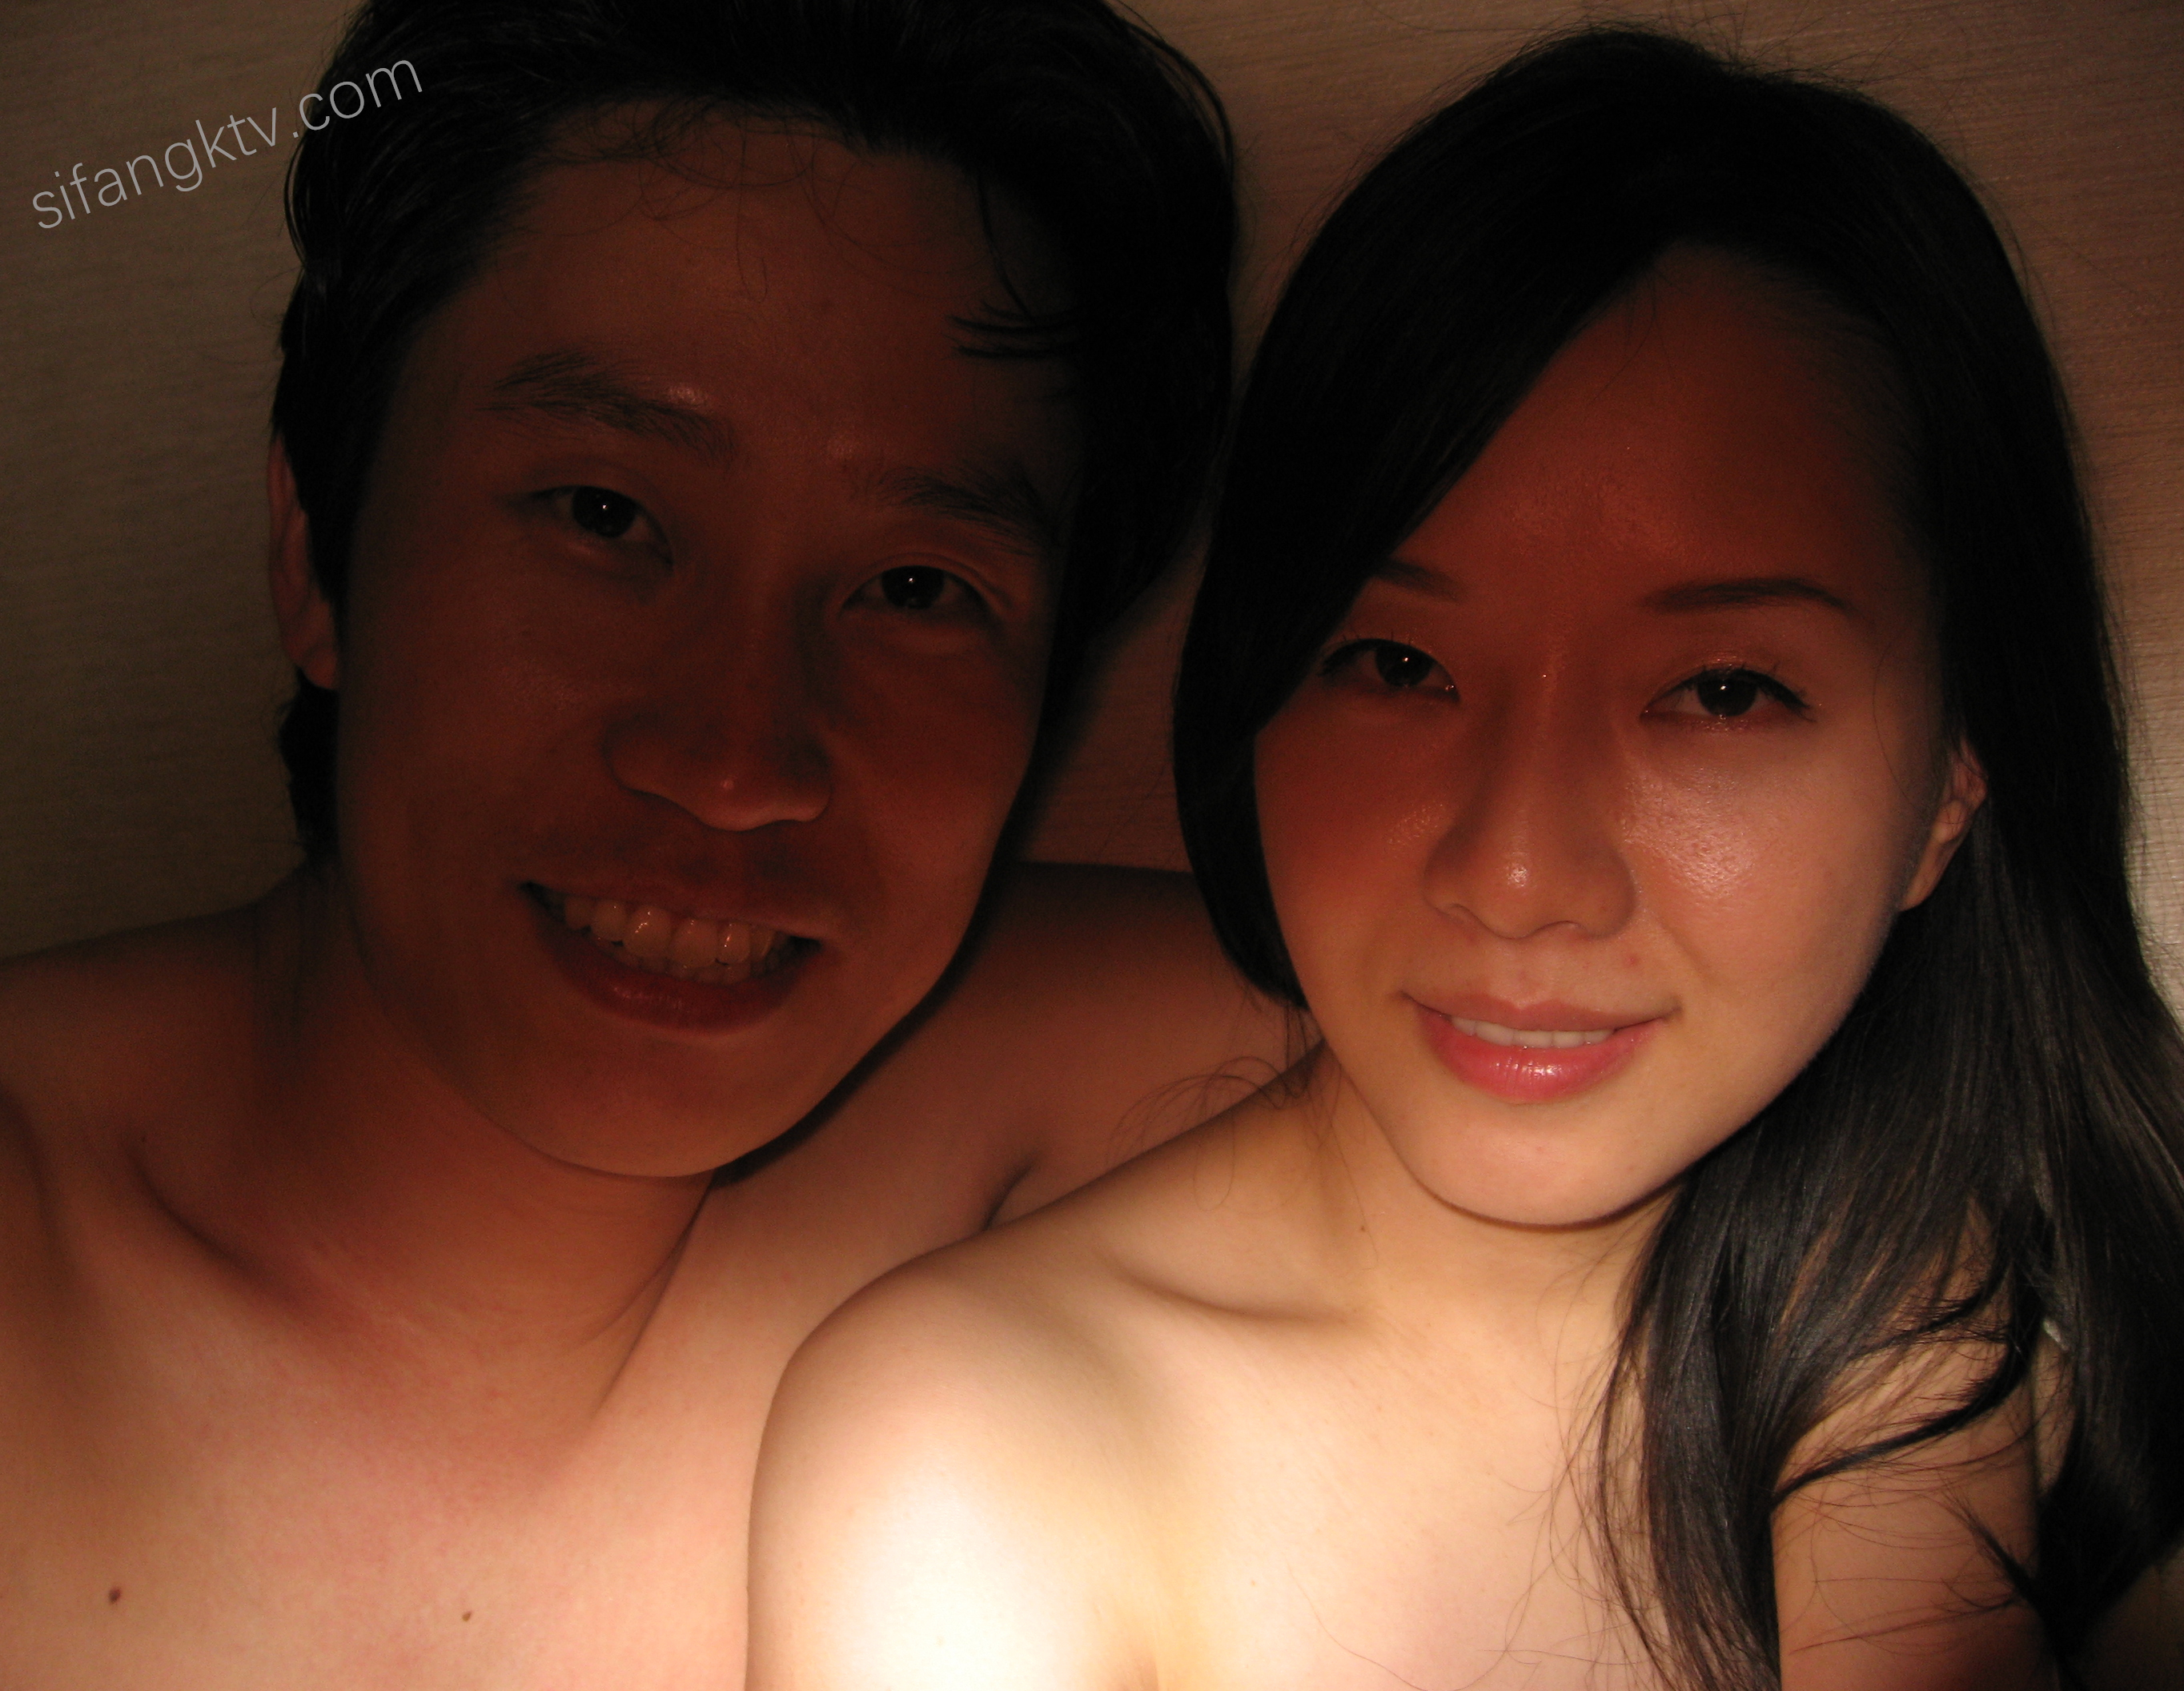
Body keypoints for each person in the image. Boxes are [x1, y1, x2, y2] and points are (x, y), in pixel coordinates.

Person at [750, 27, 2184, 1691]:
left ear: (1954, 777)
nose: (1516, 875)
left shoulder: (2070, 1320)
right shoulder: (970, 1475)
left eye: (1722, 692)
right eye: (1397, 667)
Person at [0, 2, 1287, 1685]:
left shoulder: (1050, 1085)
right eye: (603, 515)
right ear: (317, 551)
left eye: (915, 589)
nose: (733, 765)